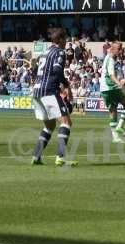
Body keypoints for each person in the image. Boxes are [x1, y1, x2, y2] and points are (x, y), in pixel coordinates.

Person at [31, 28, 78, 167]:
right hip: (49, 91)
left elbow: (36, 69)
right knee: (66, 122)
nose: (66, 42)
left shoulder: (45, 52)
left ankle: (36, 156)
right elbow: (57, 70)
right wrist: (66, 87)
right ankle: (61, 157)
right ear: (61, 40)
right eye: (66, 39)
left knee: (49, 125)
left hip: (37, 91)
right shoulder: (59, 52)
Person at [100, 42, 125, 144]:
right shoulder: (111, 59)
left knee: (113, 112)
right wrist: (120, 83)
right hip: (110, 88)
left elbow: (108, 49)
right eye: (119, 49)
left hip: (105, 89)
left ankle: (116, 137)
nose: (120, 51)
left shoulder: (109, 56)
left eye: (121, 49)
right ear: (113, 49)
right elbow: (111, 74)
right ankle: (120, 126)